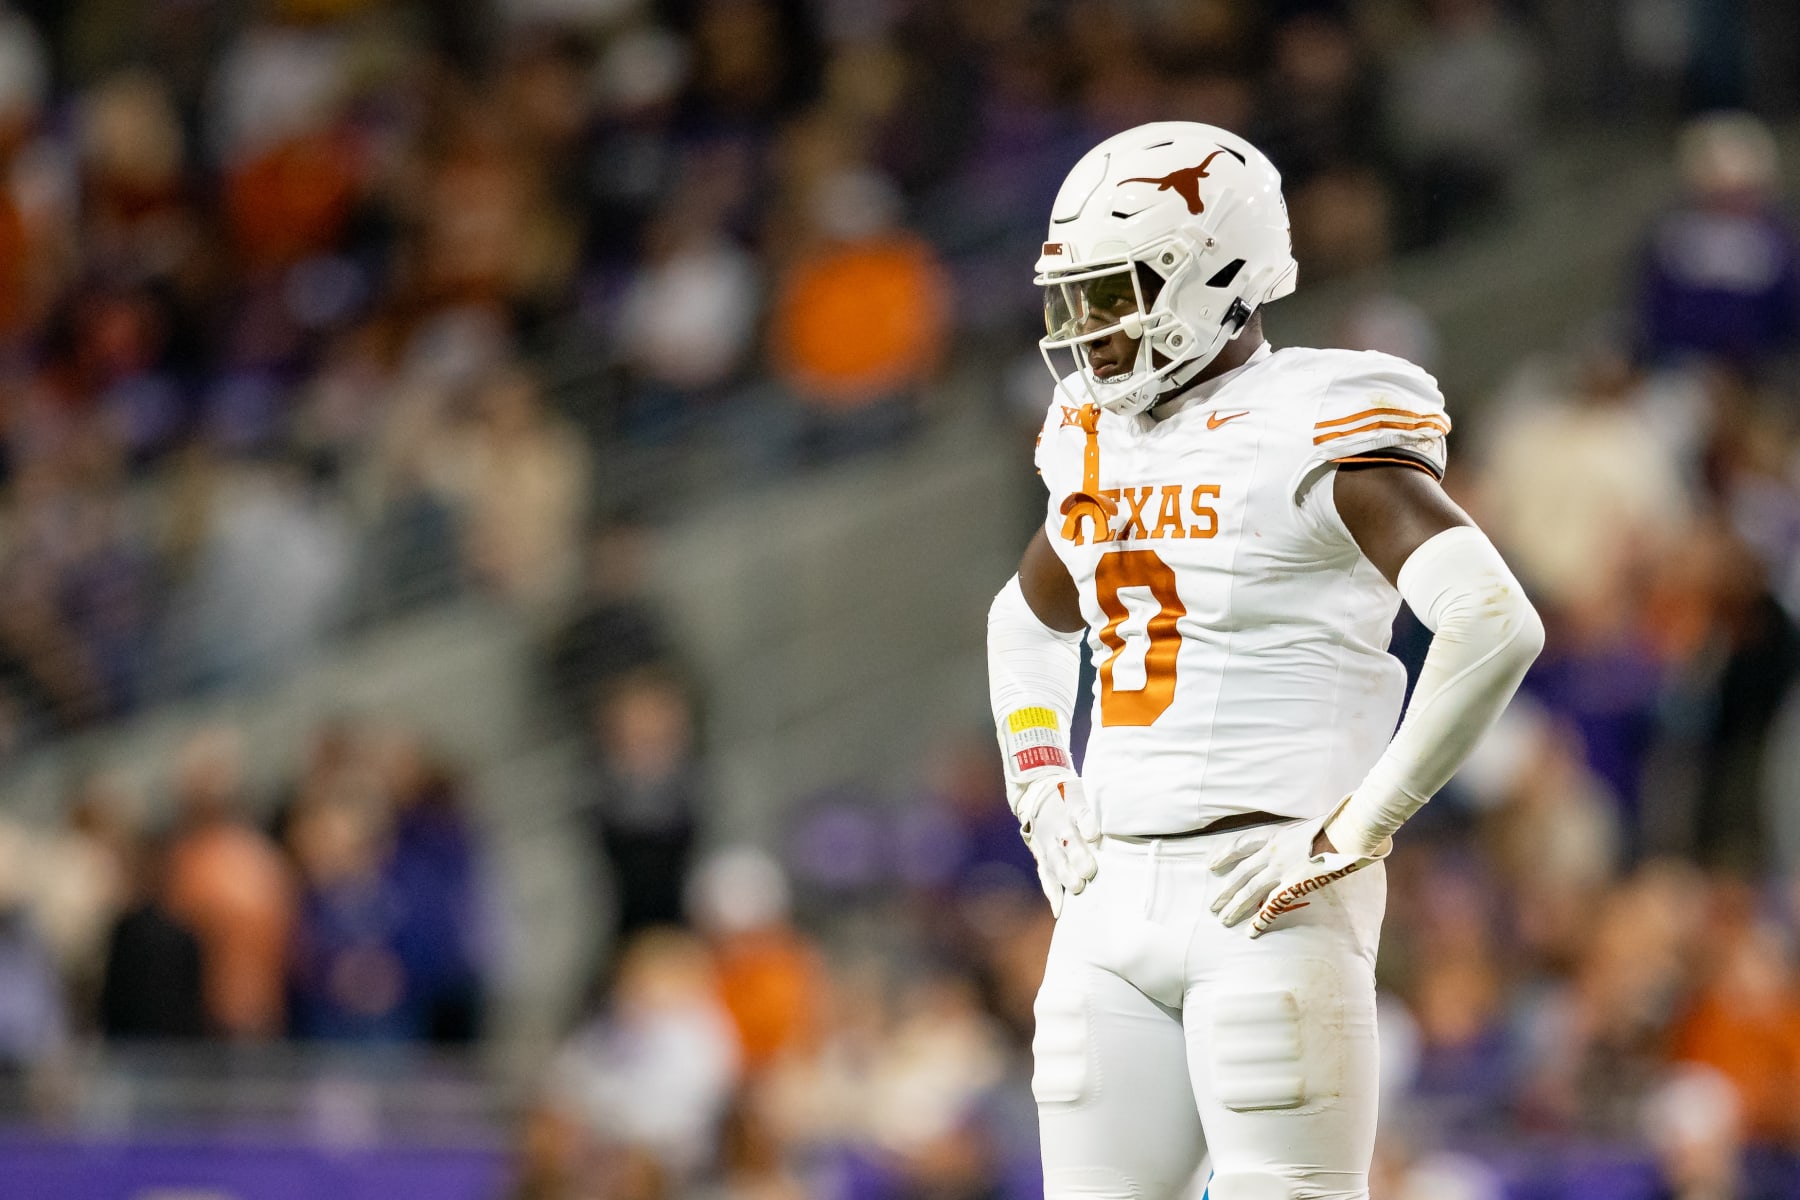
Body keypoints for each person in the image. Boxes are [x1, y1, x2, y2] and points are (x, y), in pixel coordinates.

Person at [986, 122, 1544, 1200]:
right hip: (1110, 903)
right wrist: (1040, 772)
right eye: (1081, 298)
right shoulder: (1096, 439)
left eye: (1121, 292)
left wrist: (1359, 825)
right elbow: (1025, 621)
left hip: (1266, 896)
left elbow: (1493, 621)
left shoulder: (1309, 419)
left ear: (1219, 274)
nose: (1092, 330)